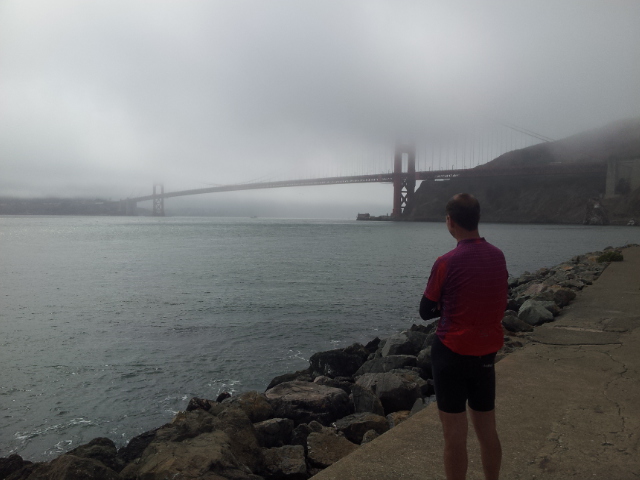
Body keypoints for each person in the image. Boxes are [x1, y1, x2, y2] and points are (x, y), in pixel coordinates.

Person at [420, 193, 508, 480]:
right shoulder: (498, 256)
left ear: (450, 221)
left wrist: (445, 305)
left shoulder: (446, 262)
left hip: (451, 352)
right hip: (486, 352)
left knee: (455, 436)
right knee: (487, 430)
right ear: (477, 219)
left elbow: (425, 311)